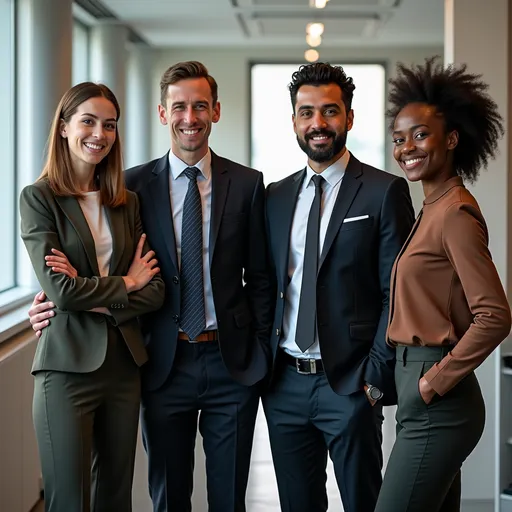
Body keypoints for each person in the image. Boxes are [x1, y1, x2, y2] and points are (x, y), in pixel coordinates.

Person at [28, 62, 273, 512]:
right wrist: (54, 301)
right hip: (161, 360)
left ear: (215, 111)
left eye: (200, 106)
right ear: (163, 114)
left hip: (231, 363)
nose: (190, 117)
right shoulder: (130, 187)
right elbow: (98, 263)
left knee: (229, 497)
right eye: (179, 106)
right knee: (167, 493)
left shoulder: (248, 184)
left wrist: (258, 350)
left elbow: (260, 279)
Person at [262, 62, 415, 512]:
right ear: (294, 121)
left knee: (362, 502)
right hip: (285, 383)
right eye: (306, 112)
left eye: (330, 111)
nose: (318, 124)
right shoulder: (275, 196)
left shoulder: (383, 192)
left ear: (349, 117)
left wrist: (373, 380)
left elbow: (397, 292)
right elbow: (267, 285)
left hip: (349, 385)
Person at [19, 82, 165, 512]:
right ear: (64, 127)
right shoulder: (39, 198)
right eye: (87, 121)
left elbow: (156, 290)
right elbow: (60, 292)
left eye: (109, 125)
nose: (98, 133)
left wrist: (103, 291)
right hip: (65, 369)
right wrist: (127, 284)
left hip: (124, 367)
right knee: (68, 498)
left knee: (115, 496)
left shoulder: (126, 203)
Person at [374, 57, 512, 512]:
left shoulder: (454, 213)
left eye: (420, 134)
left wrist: (433, 381)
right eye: (399, 138)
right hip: (418, 386)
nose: (407, 147)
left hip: (438, 397)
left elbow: (494, 315)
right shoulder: (432, 208)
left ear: (451, 139)